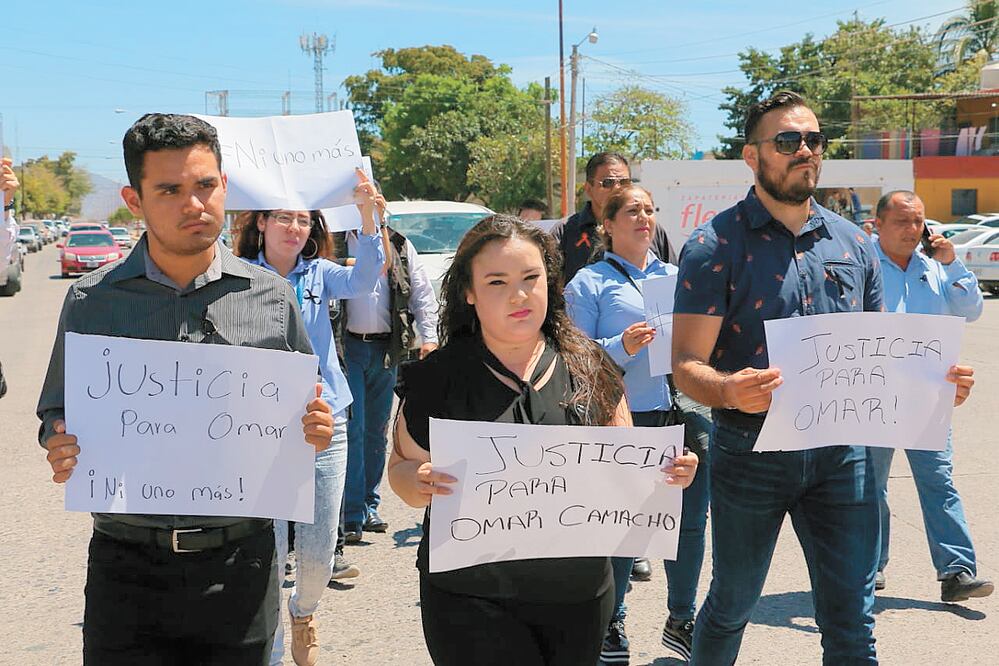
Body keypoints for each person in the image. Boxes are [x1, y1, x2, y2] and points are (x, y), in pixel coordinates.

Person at [671, 91, 976, 665]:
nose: (805, 150)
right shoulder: (714, 245)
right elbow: (686, 364)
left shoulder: (854, 242)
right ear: (752, 155)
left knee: (852, 621)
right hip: (751, 452)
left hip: (844, 456)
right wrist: (727, 389)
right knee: (732, 604)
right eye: (788, 140)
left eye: (814, 139)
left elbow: (880, 352)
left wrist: (935, 385)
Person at [36, 113, 336, 665]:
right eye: (169, 190)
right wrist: (58, 440)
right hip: (126, 568)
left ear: (225, 186)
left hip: (242, 567)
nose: (194, 204)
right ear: (134, 200)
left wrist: (315, 428)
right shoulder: (91, 302)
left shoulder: (273, 299)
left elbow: (301, 410)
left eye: (205, 185)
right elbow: (57, 411)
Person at [387, 215, 699, 665]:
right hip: (469, 599)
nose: (518, 295)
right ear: (469, 292)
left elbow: (626, 471)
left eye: (530, 278)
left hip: (579, 599)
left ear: (550, 283)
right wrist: (417, 481)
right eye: (497, 282)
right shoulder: (437, 378)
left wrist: (669, 474)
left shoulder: (592, 367)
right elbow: (400, 470)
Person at [235, 170, 386, 666]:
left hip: (326, 418)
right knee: (273, 548)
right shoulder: (237, 275)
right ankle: (276, 644)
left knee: (318, 552)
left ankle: (304, 611)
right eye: (283, 218)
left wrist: (368, 215)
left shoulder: (321, 273)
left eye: (303, 220)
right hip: (260, 425)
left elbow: (366, 280)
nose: (294, 228)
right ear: (261, 223)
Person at [565, 186, 710, 664]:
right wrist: (622, 346)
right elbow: (574, 360)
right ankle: (613, 621)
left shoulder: (677, 277)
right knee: (627, 524)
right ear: (607, 224)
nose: (644, 217)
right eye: (632, 211)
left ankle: (682, 618)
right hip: (627, 416)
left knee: (690, 522)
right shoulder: (590, 282)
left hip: (686, 411)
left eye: (649, 210)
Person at [870, 190, 990, 602]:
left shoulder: (935, 268)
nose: (912, 229)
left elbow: (971, 310)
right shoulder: (863, 265)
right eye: (902, 221)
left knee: (939, 481)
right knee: (870, 486)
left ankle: (957, 571)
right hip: (873, 394)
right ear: (878, 225)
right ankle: (870, 567)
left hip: (926, 396)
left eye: (918, 221)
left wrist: (953, 263)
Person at [331, 208, 439, 544]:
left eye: (375, 205)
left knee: (377, 431)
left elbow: (421, 293)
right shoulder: (334, 244)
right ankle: (351, 514)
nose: (370, 211)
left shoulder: (400, 245)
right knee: (353, 428)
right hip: (347, 349)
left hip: (387, 350)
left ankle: (369, 506)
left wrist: (430, 337)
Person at [549, 152, 676, 285]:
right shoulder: (564, 231)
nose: (617, 188)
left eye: (624, 182)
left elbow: (673, 282)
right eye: (608, 183)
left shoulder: (648, 229)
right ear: (589, 189)